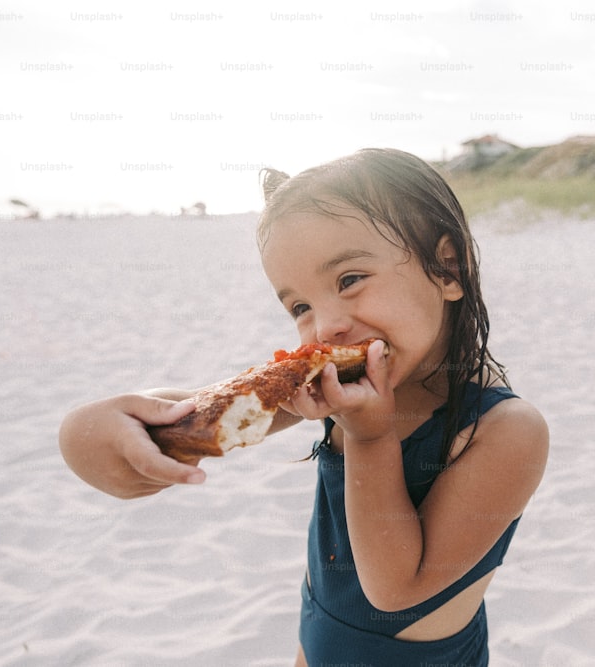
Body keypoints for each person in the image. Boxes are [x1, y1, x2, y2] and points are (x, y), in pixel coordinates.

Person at [59, 148, 549, 665]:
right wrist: (93, 430)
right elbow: (189, 421)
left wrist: (369, 436)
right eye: (301, 307)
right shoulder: (327, 385)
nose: (326, 326)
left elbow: (397, 588)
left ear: (448, 267)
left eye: (349, 280)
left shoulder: (506, 430)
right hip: (315, 641)